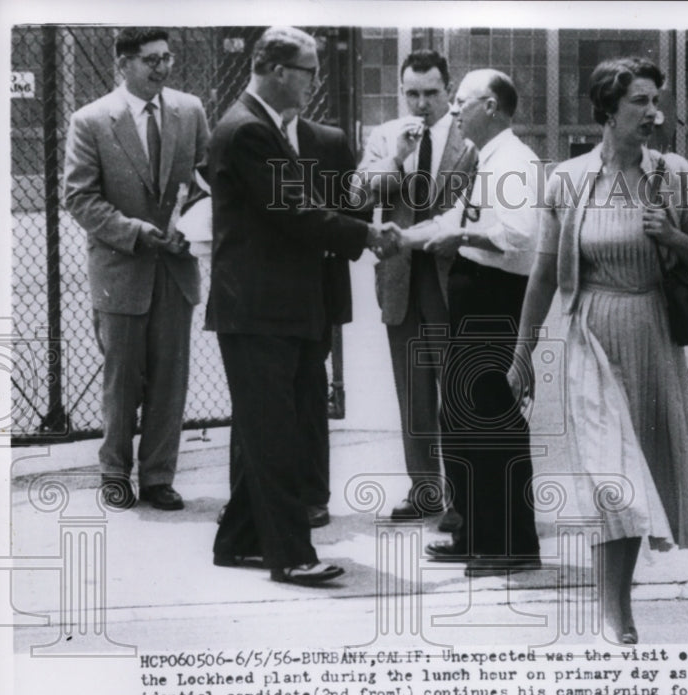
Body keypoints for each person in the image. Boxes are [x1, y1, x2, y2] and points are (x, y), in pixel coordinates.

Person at [507, 57, 688, 643]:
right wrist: (523, 354)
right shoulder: (566, 180)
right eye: (640, 102)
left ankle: (618, 603)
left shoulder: (673, 174)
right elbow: (543, 275)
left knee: (638, 477)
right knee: (609, 478)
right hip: (590, 337)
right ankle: (613, 610)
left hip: (651, 336)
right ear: (607, 110)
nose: (654, 113)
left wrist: (670, 235)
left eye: (656, 101)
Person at [205, 26, 398, 587]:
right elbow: (296, 213)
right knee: (275, 437)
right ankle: (290, 555)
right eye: (310, 70)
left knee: (273, 431)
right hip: (259, 312)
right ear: (279, 71)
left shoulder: (260, 126)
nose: (315, 82)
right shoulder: (247, 131)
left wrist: (357, 229)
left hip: (277, 310)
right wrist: (369, 236)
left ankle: (238, 541)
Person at [400, 69, 542, 577]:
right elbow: (451, 217)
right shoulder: (488, 160)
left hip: (496, 301)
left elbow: (519, 235)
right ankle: (475, 534)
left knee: (489, 423)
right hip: (474, 299)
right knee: (458, 419)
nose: (454, 110)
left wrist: (460, 236)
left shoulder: (517, 163)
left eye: (462, 101)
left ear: (493, 106)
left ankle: (511, 543)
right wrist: (402, 239)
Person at [64, 27, 210, 511]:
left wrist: (194, 226)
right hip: (121, 270)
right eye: (151, 60)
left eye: (167, 58)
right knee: (121, 380)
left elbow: (209, 182)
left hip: (175, 268)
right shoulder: (90, 121)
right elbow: (79, 197)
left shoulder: (189, 112)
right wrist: (133, 231)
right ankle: (114, 473)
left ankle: (158, 477)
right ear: (122, 64)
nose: (162, 68)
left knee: (170, 380)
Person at [357, 50, 478, 532]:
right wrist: (396, 158)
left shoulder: (469, 137)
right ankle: (425, 489)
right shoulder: (385, 136)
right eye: (412, 93)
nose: (422, 103)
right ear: (401, 92)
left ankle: (465, 496)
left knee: (458, 390)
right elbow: (360, 194)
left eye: (431, 92)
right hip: (402, 277)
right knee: (413, 392)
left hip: (452, 277)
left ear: (448, 91)